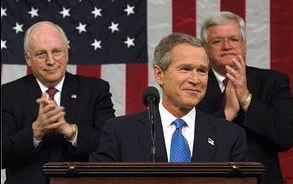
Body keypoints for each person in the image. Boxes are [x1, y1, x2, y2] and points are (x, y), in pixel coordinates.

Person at [89, 33, 247, 163]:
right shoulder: (120, 132)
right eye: (185, 69)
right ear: (159, 75)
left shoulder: (230, 136)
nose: (195, 79)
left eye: (202, 71)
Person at [1, 21, 115, 184]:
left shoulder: (96, 90)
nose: (51, 60)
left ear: (67, 53)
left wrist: (71, 131)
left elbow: (110, 146)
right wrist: (35, 132)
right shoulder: (7, 95)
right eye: (41, 54)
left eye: (56, 52)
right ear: (28, 58)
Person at [196, 11, 293, 184]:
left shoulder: (273, 82)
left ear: (244, 45)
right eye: (217, 41)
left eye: (234, 39)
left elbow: (285, 137)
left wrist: (246, 98)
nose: (227, 46)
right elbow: (188, 142)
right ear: (205, 49)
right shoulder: (193, 85)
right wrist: (227, 113)